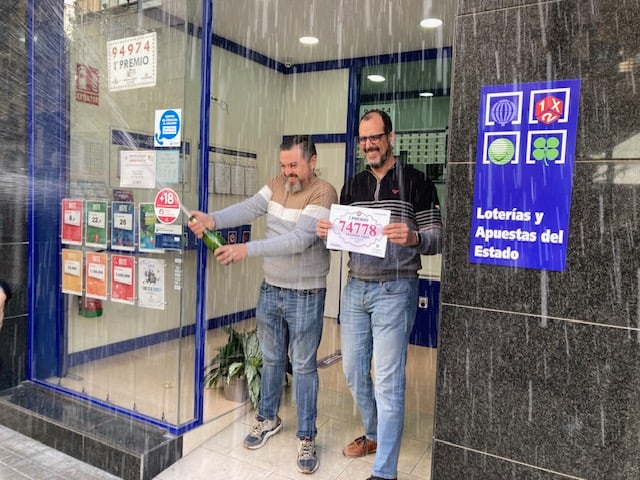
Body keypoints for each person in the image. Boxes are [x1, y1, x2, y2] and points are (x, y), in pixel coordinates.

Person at [188, 135, 338, 474]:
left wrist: (246, 250)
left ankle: (307, 436)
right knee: (271, 359)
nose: (288, 172)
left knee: (302, 366)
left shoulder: (324, 192)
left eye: (294, 165)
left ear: (312, 162)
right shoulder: (275, 184)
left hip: (306, 293)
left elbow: (299, 240)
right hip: (271, 289)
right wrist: (213, 219)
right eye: (283, 165)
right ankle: (267, 419)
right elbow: (248, 208)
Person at [316, 109, 442, 480]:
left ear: (391, 138)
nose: (369, 145)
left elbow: (437, 238)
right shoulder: (352, 185)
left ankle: (385, 471)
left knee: (388, 380)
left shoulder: (417, 182)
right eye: (364, 139)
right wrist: (329, 232)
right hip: (356, 288)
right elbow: (346, 239)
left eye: (375, 137)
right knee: (354, 372)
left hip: (396, 288)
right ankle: (373, 434)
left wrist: (415, 237)